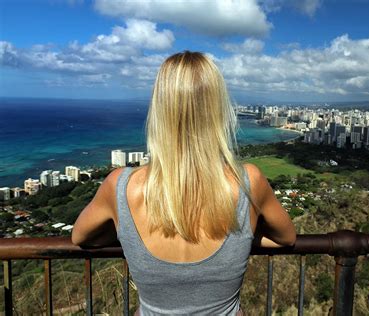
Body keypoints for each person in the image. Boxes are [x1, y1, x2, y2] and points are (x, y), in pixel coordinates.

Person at [72, 51, 296, 315]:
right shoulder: (248, 182)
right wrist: (244, 237)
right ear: (217, 110)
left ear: (160, 109)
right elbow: (286, 238)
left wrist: (126, 234)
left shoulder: (121, 186)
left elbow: (80, 237)